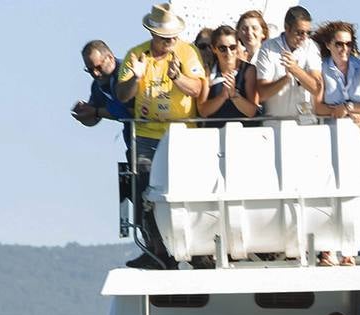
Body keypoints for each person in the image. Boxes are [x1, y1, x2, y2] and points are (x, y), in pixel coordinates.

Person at [115, 4, 206, 270]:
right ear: (154, 35)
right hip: (146, 134)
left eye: (174, 37)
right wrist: (137, 78)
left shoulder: (187, 52)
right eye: (167, 38)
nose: (172, 42)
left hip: (182, 134)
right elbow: (123, 95)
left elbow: (198, 88)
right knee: (144, 191)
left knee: (191, 192)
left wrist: (177, 78)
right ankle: (157, 250)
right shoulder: (135, 55)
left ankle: (199, 251)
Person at [314, 21, 360, 265]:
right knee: (329, 190)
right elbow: (317, 106)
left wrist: (350, 108)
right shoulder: (320, 68)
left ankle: (350, 248)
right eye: (339, 44)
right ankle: (328, 248)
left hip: (358, 133)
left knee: (357, 191)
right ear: (329, 45)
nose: (344, 48)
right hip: (332, 135)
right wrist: (339, 111)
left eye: (348, 44)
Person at [254, 6, 322, 124]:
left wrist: (295, 69)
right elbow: (262, 94)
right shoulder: (268, 48)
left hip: (305, 123)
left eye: (308, 33)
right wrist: (285, 79)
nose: (304, 38)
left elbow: (317, 88)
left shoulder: (311, 46)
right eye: (300, 33)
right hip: (275, 124)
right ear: (286, 28)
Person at [198, 25, 259, 121]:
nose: (228, 53)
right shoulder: (208, 71)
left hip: (244, 131)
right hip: (215, 131)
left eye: (232, 47)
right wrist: (222, 96)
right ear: (214, 49)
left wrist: (234, 95)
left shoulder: (248, 70)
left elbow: (252, 112)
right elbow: (203, 111)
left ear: (237, 45)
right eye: (222, 48)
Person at [72, 40, 129, 137]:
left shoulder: (127, 74)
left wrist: (96, 111)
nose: (95, 73)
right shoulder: (97, 85)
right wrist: (83, 114)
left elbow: (128, 112)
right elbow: (93, 119)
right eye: (90, 70)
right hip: (134, 143)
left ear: (110, 58)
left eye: (98, 67)